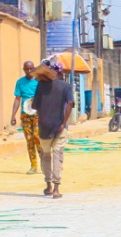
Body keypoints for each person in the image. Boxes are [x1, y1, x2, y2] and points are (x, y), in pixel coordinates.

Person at [31, 56, 75, 198]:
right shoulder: (66, 87)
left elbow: (34, 107)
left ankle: (48, 185)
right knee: (57, 154)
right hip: (60, 126)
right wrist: (63, 123)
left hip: (44, 126)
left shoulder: (40, 87)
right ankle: (56, 188)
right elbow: (69, 104)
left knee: (46, 155)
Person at [10, 60, 41, 175]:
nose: (28, 71)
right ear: (23, 70)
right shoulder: (20, 82)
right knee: (29, 140)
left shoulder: (39, 81)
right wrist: (13, 115)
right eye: (26, 69)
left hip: (37, 113)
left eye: (31, 69)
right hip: (25, 114)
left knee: (38, 137)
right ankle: (33, 165)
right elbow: (17, 99)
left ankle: (45, 163)